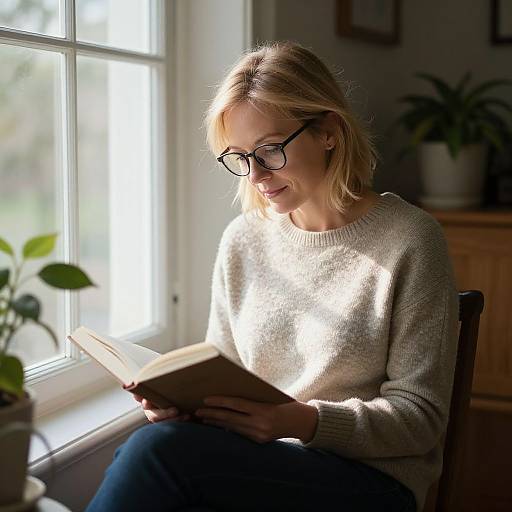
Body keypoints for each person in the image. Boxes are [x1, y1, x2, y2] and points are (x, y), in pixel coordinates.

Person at [85, 41, 459, 512]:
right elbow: (220, 374)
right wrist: (184, 406)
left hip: (371, 482)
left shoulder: (411, 239)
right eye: (239, 156)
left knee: (155, 456)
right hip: (264, 464)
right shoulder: (243, 239)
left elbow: (420, 419)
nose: (255, 175)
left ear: (329, 131)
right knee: (157, 448)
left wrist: (301, 423)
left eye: (269, 150)